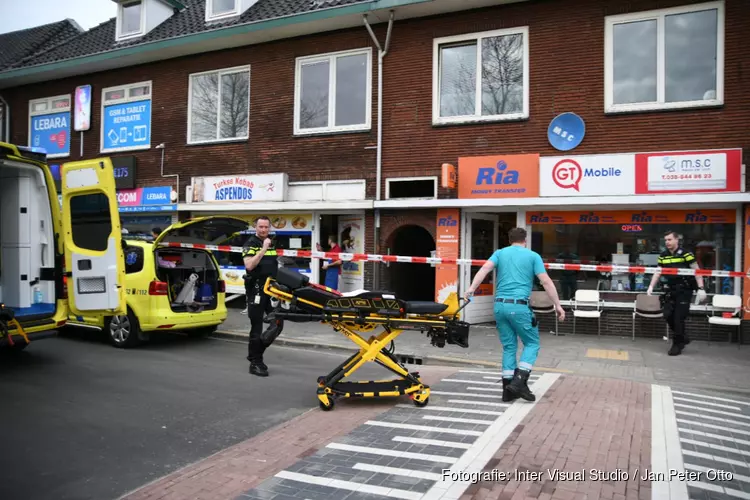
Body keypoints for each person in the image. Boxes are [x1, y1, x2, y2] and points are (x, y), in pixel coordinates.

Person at [464, 227, 565, 402]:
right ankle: (519, 381)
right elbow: (546, 282)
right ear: (524, 240)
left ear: (509, 240)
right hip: (519, 307)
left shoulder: (500, 253)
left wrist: (471, 289)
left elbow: (483, 270)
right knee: (532, 343)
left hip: (499, 307)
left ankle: (507, 390)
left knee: (509, 347)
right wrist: (557, 305)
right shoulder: (533, 256)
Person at [647, 230, 706, 356]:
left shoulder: (686, 254)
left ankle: (676, 345)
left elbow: (697, 271)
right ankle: (683, 337)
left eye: (669, 239)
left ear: (676, 240)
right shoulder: (663, 255)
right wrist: (651, 286)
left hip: (684, 290)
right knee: (667, 314)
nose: (667, 242)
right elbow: (658, 272)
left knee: (679, 318)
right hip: (670, 289)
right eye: (666, 240)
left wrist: (701, 288)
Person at [242, 216, 279, 377]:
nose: (263, 230)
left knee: (278, 322)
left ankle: (256, 352)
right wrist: (263, 249)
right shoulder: (250, 243)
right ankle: (255, 362)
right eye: (260, 227)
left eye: (266, 227)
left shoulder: (272, 242)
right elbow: (249, 266)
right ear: (255, 227)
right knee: (256, 326)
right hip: (256, 289)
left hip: (271, 289)